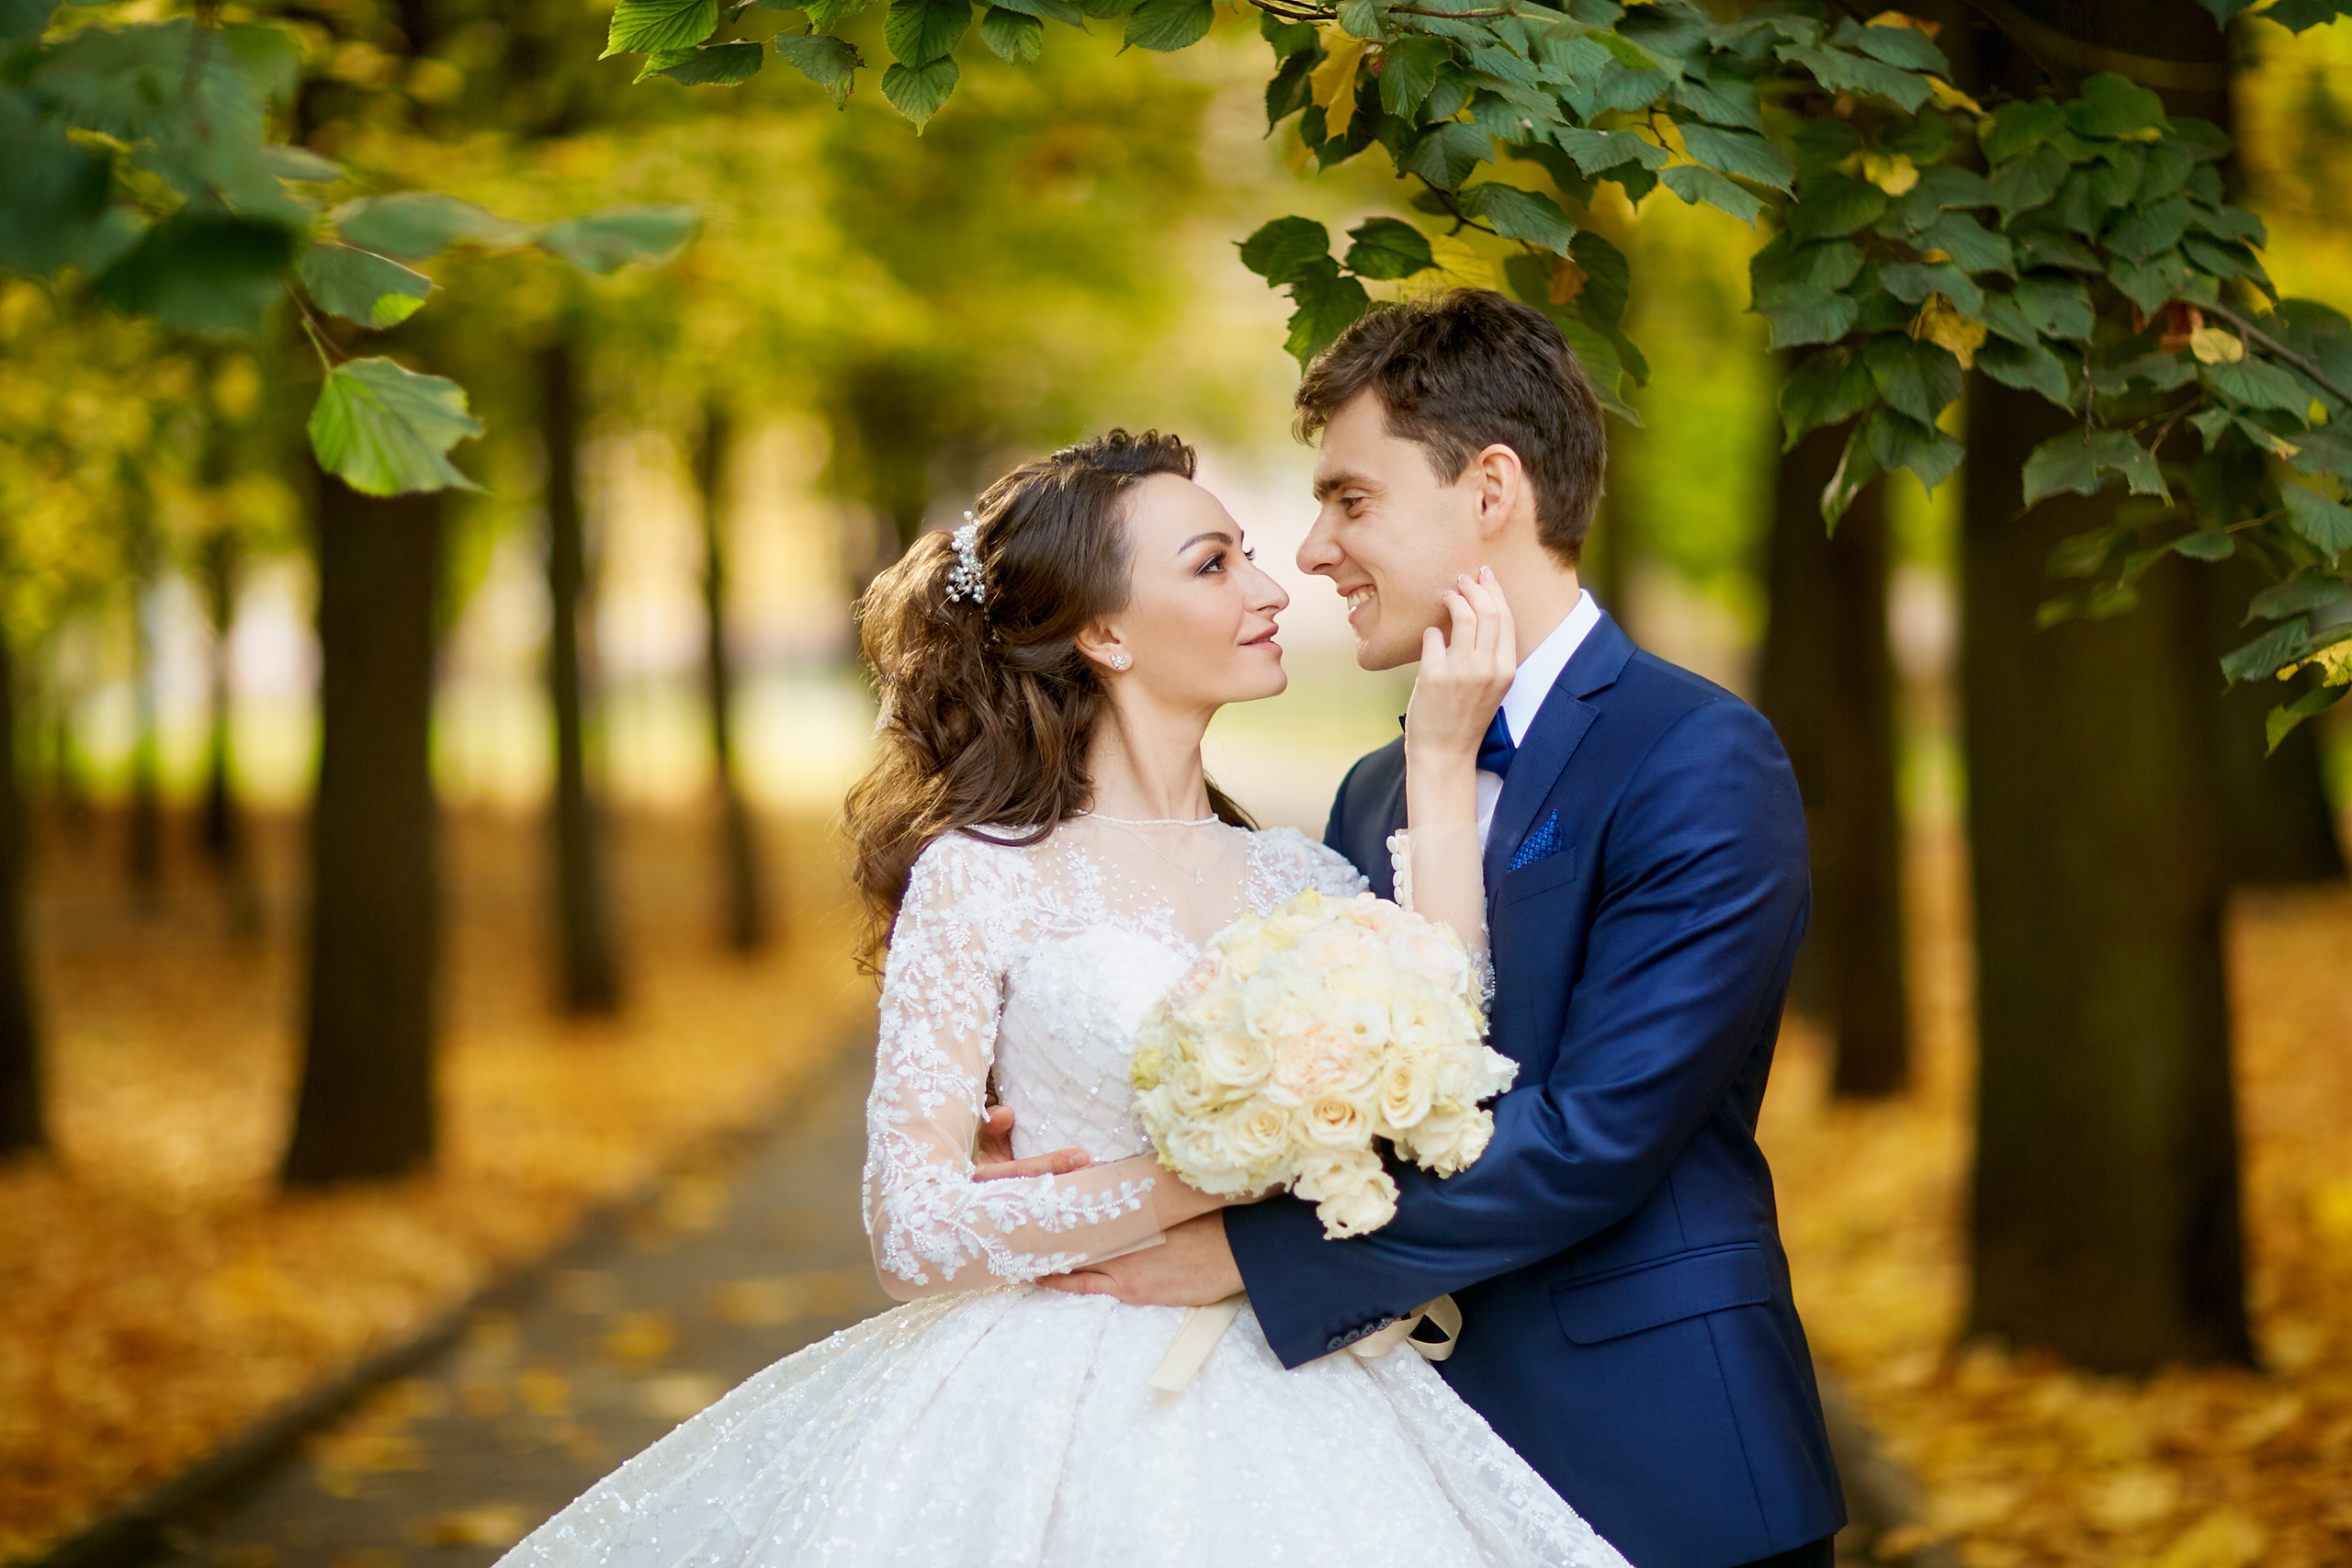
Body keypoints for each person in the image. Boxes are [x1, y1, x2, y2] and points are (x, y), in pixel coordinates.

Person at [496, 428, 1631, 1568]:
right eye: (1213, 564)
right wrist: (1207, 1176)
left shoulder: (1306, 874)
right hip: (1054, 1396)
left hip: (1304, 1382)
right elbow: (914, 1231)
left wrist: (1438, 759)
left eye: (1246, 553)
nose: (1272, 587)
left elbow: (1447, 1042)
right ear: (1103, 633)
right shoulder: (982, 876)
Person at [1034, 292, 1849, 1568]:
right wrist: (1094, 1143)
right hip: (1401, 1467)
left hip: (1660, 1458)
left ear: (1491, 490)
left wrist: (1250, 1254)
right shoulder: (1376, 789)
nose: (1314, 550)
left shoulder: (1694, 755)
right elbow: (1335, 1090)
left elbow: (1596, 1136)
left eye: (1350, 499)